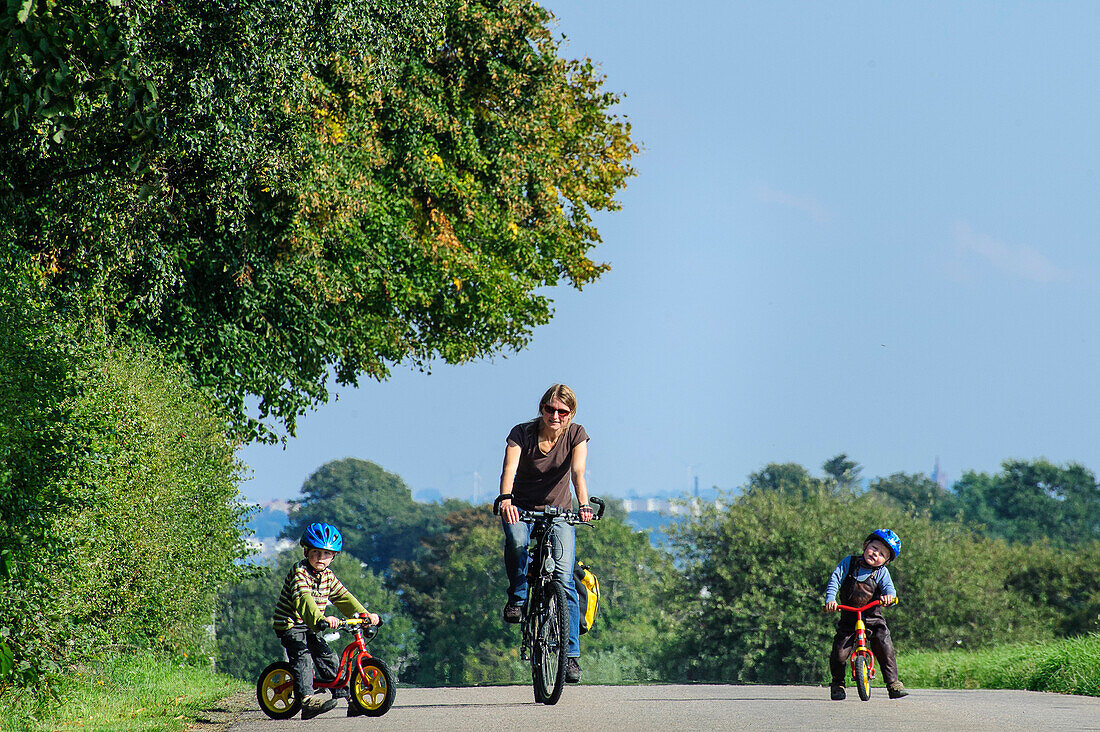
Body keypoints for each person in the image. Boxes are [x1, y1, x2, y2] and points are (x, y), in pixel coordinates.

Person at [498, 384, 593, 684]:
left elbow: (578, 473)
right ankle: (518, 597)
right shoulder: (521, 434)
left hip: (559, 511)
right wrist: (505, 499)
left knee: (564, 580)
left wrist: (584, 505)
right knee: (516, 540)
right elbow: (509, 470)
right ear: (541, 409)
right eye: (550, 409)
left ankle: (571, 657)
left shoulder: (576, 434)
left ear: (571, 414)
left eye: (562, 412)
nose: (555, 416)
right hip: (521, 508)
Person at [271, 522, 380, 719]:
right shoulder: (299, 572)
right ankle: (307, 701)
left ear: (334, 556)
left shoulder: (328, 576)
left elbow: (343, 597)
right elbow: (303, 599)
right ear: (306, 551)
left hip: (313, 625)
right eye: (315, 552)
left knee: (328, 657)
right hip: (291, 624)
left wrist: (364, 615)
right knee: (303, 656)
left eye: (326, 554)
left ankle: (350, 699)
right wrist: (321, 619)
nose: (321, 558)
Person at [823, 528, 908, 700]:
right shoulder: (849, 563)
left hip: (872, 618)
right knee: (839, 652)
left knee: (885, 646)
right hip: (849, 616)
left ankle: (893, 684)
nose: (876, 554)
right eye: (874, 548)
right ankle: (838, 684)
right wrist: (830, 599)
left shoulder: (881, 573)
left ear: (886, 561)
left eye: (882, 554)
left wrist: (889, 597)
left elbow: (890, 589)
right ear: (865, 545)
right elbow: (835, 579)